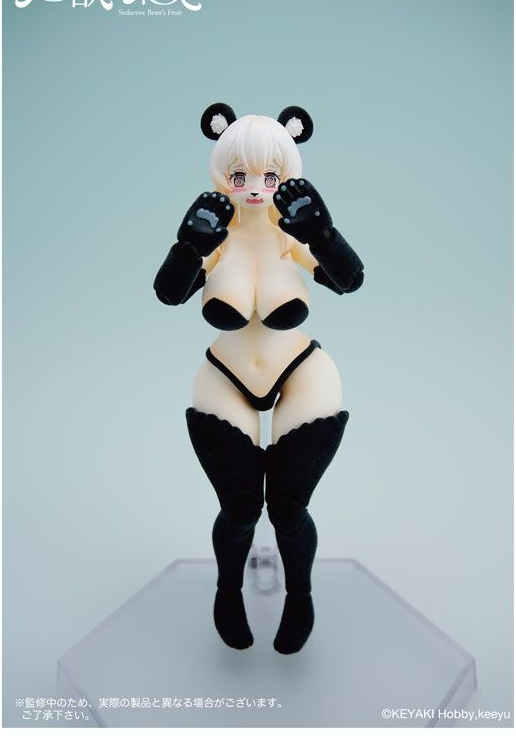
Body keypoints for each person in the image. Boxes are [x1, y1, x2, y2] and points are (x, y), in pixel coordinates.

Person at [154, 103, 364, 654]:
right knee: (240, 507)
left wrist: (323, 234)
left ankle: (300, 595)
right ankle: (227, 591)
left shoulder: (287, 234)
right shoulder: (216, 236)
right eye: (239, 174)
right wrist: (189, 247)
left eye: (270, 176)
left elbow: (350, 280)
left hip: (302, 371)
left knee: (290, 508)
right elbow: (169, 293)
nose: (254, 187)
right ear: (221, 172)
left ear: (287, 173)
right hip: (223, 375)